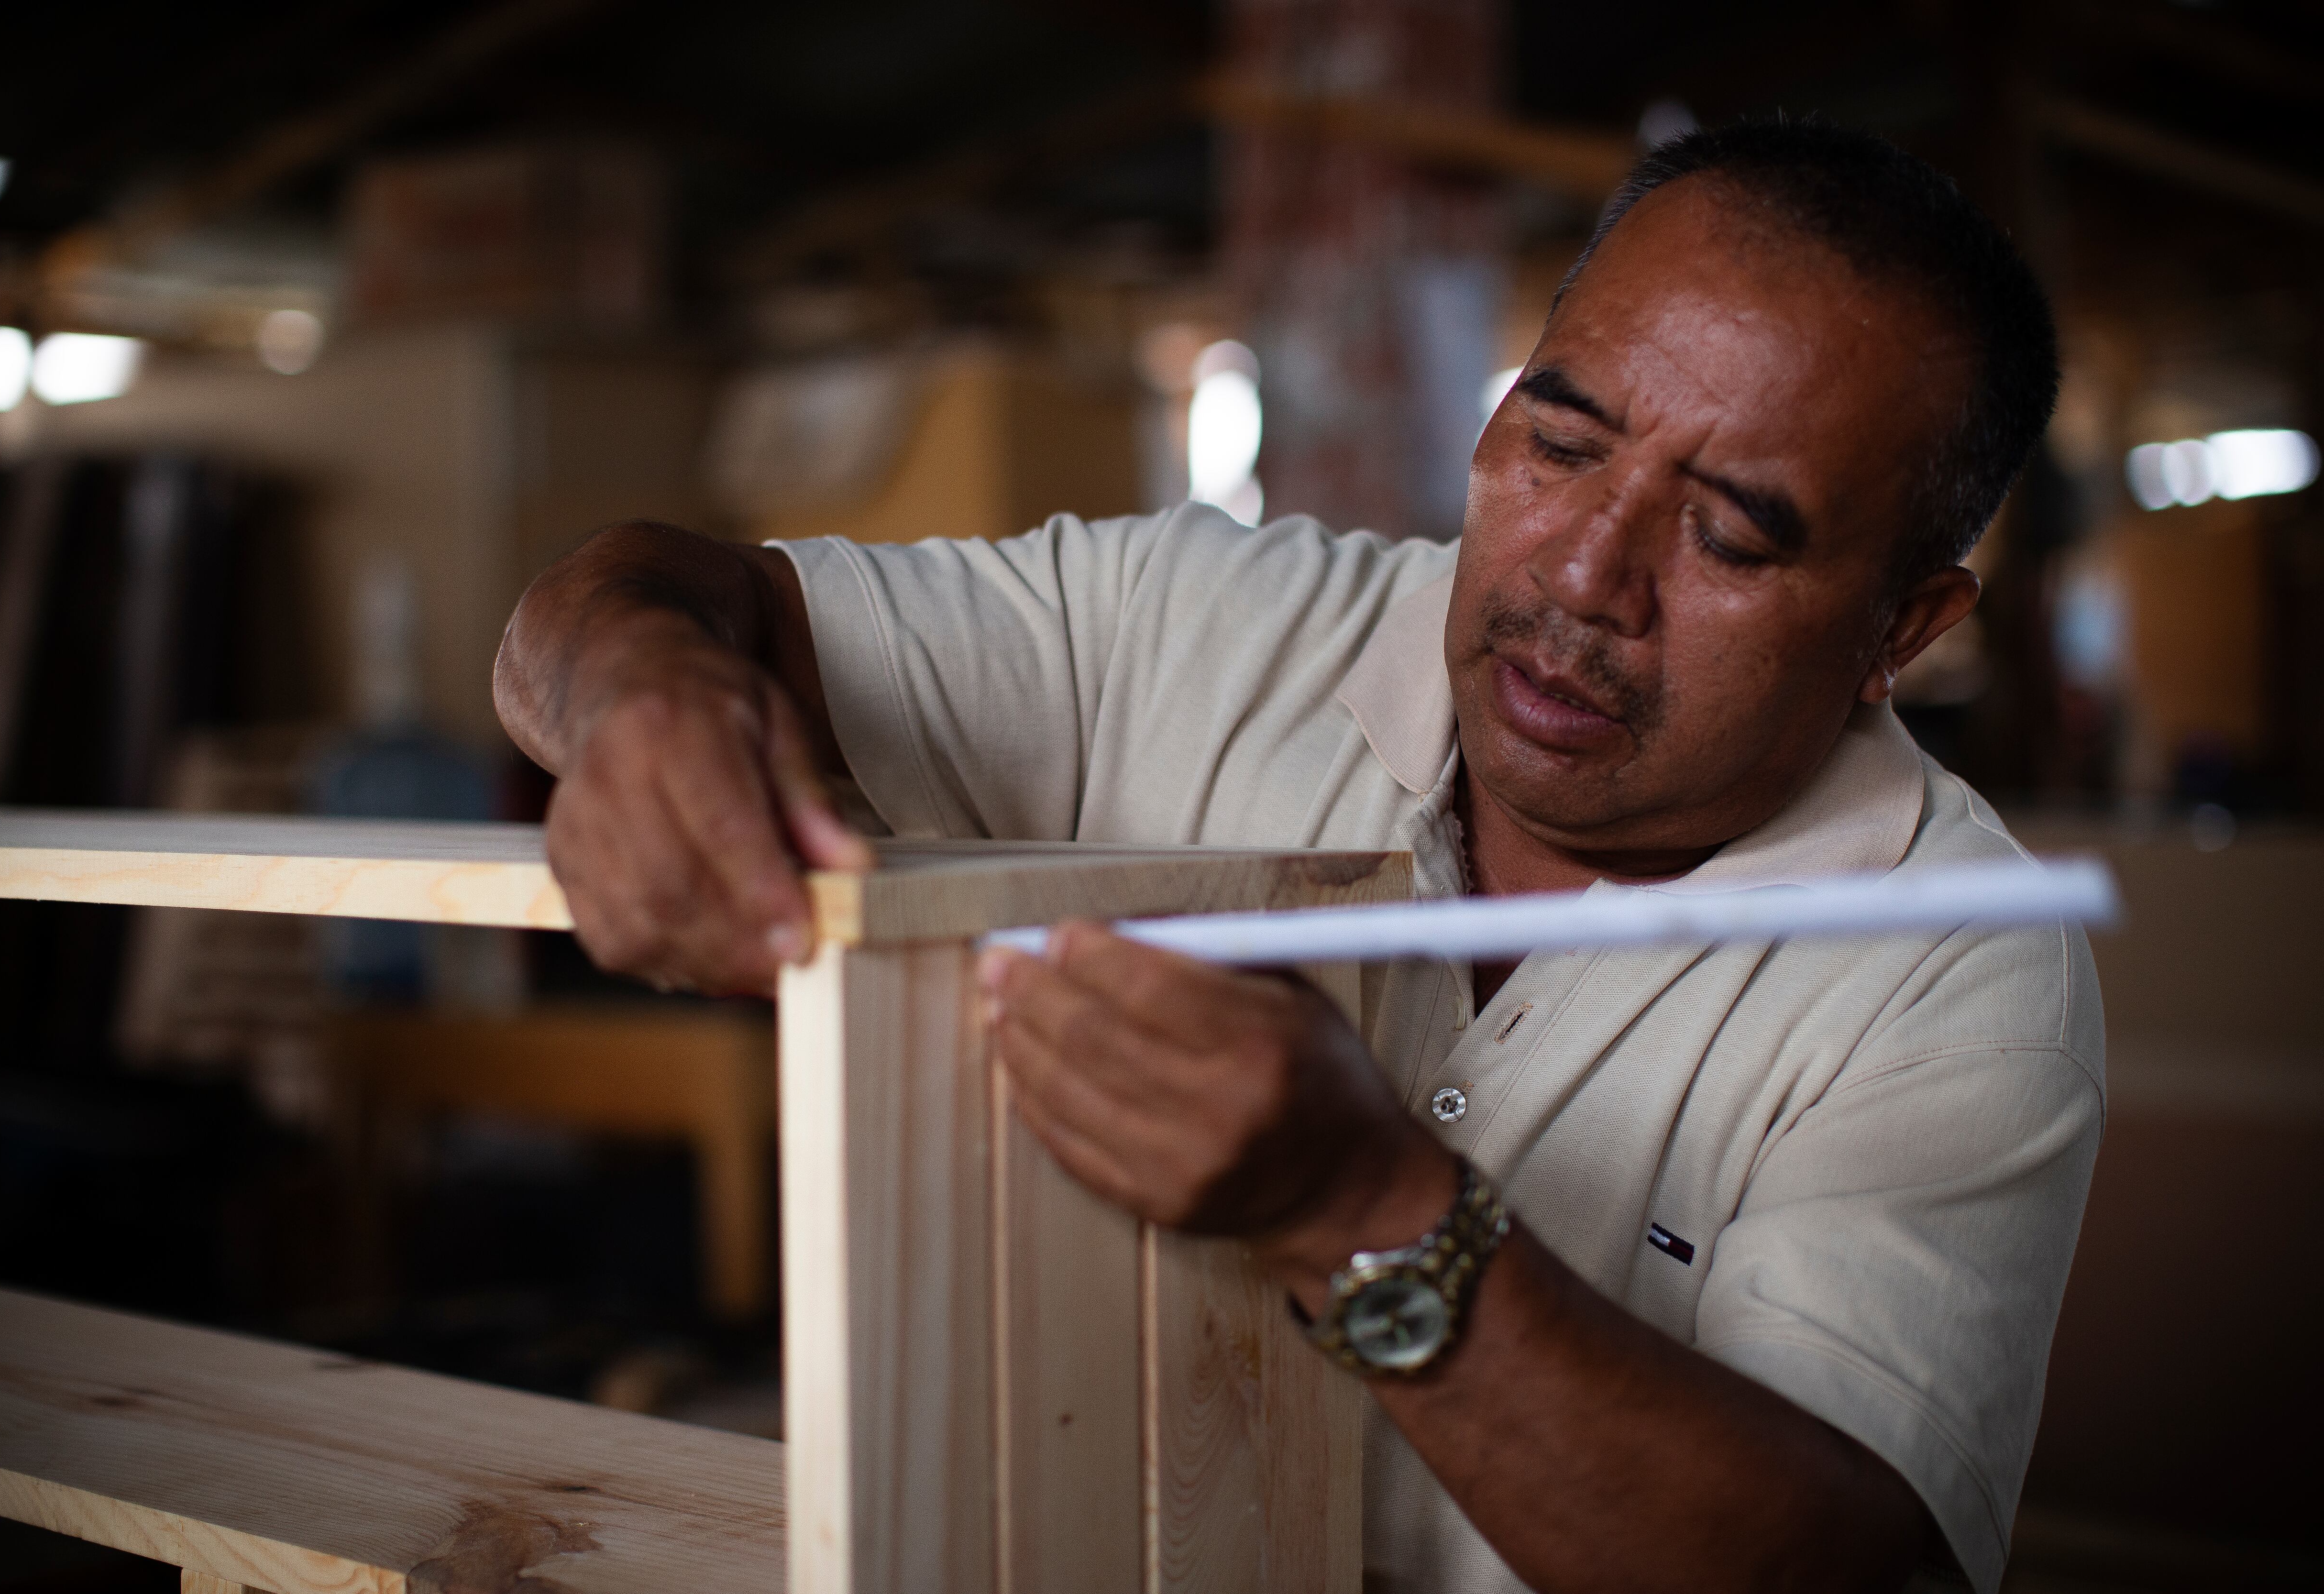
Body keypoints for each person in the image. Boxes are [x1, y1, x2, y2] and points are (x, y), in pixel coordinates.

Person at [493, 120, 2100, 1594]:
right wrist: (647, 696)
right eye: (1558, 444)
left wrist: (1367, 1210)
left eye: (1731, 536)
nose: (1590, 573)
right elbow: (621, 600)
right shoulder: (1189, 625)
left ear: (1901, 628)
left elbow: (1849, 1572)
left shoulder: (1957, 974)